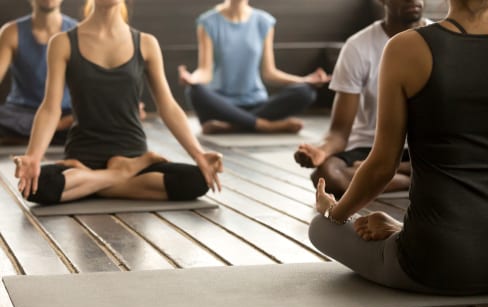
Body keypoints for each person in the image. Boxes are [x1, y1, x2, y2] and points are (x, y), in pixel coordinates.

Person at [310, 0, 488, 295]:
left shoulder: (406, 47)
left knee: (319, 228)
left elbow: (382, 168)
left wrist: (334, 213)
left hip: (434, 263)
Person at [13, 0, 223, 205]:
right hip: (83, 156)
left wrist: (199, 154)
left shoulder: (146, 43)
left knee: (196, 181)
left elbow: (168, 105)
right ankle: (119, 175)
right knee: (35, 187)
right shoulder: (63, 42)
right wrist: (33, 156)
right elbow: (50, 108)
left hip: (131, 155)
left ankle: (91, 184)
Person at [294, 0, 431, 198]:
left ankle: (391, 173)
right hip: (371, 149)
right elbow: (339, 132)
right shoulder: (358, 46)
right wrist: (321, 151)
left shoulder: (443, 39)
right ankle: (411, 177)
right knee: (327, 176)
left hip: (426, 150)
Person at [178, 0, 330, 134]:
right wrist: (192, 78)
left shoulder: (263, 21)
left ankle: (233, 126)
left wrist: (304, 80)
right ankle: (264, 126)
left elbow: (270, 72)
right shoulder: (207, 22)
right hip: (221, 106)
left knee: (306, 92)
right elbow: (205, 71)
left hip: (256, 103)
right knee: (194, 90)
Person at [0, 0, 77, 145]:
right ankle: (48, 134)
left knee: (96, 120)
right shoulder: (12, 32)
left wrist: (61, 122)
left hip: (65, 115)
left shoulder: (78, 32)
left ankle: (36, 135)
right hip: (21, 114)